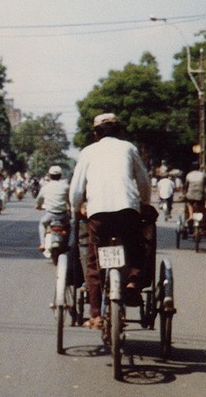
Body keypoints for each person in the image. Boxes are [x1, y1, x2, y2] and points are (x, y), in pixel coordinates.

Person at [69, 112, 151, 329]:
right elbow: (143, 180)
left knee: (95, 261)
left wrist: (76, 209)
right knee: (135, 243)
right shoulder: (129, 148)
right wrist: (144, 203)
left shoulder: (87, 152)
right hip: (127, 209)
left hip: (98, 212)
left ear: (95, 134)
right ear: (120, 131)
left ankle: (95, 314)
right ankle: (133, 280)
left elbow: (76, 188)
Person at [35, 165, 70, 249]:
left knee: (42, 224)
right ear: (60, 175)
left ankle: (43, 244)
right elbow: (70, 200)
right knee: (69, 226)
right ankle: (66, 244)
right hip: (63, 215)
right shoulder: (66, 186)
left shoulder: (45, 187)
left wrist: (38, 206)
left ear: (50, 176)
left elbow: (38, 200)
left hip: (50, 215)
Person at [183, 160, 206, 225]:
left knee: (189, 204)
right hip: (200, 195)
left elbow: (186, 186)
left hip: (190, 195)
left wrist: (185, 193)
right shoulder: (203, 175)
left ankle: (191, 216)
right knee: (202, 205)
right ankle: (202, 217)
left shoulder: (188, 175)